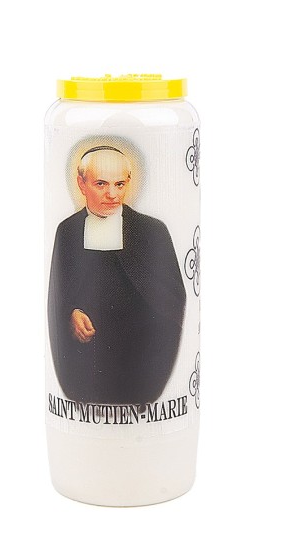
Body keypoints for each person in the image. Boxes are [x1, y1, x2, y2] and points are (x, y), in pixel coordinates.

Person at [48, 146, 186, 406]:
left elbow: (173, 301)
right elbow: (57, 295)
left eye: (119, 184)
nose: (112, 195)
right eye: (101, 184)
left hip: (139, 361)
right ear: (81, 184)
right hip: (86, 360)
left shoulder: (152, 231)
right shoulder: (67, 231)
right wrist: (69, 315)